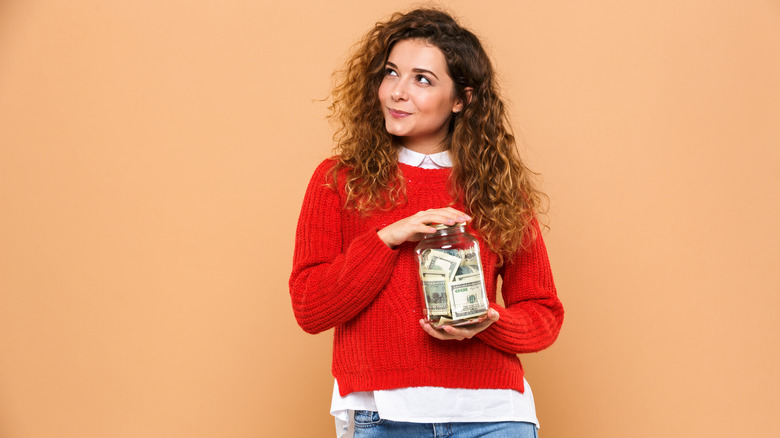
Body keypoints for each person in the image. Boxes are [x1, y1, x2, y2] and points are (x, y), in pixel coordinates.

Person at [289, 8, 564, 438]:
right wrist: (388, 237)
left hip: (493, 415)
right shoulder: (339, 180)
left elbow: (543, 312)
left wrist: (488, 321)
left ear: (462, 99)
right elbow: (310, 307)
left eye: (422, 79)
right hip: (384, 417)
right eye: (391, 73)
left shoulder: (497, 187)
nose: (397, 92)